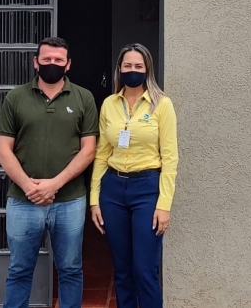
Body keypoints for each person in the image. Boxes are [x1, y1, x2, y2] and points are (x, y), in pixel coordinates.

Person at [0, 37, 99, 308]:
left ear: (68, 64)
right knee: (19, 270)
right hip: (22, 199)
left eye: (58, 60)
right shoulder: (15, 97)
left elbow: (89, 150)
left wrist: (54, 184)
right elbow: (4, 150)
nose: (52, 64)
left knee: (70, 269)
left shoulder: (83, 97)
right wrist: (31, 187)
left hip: (70, 200)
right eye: (46, 60)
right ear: (36, 62)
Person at [89, 43, 180, 308]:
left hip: (147, 189)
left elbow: (170, 158)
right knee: (122, 269)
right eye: (127, 66)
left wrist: (164, 205)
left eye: (138, 66)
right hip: (113, 191)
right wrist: (95, 199)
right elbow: (101, 155)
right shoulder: (109, 104)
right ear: (119, 69)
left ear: (147, 69)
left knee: (144, 269)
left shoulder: (162, 105)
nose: (132, 71)